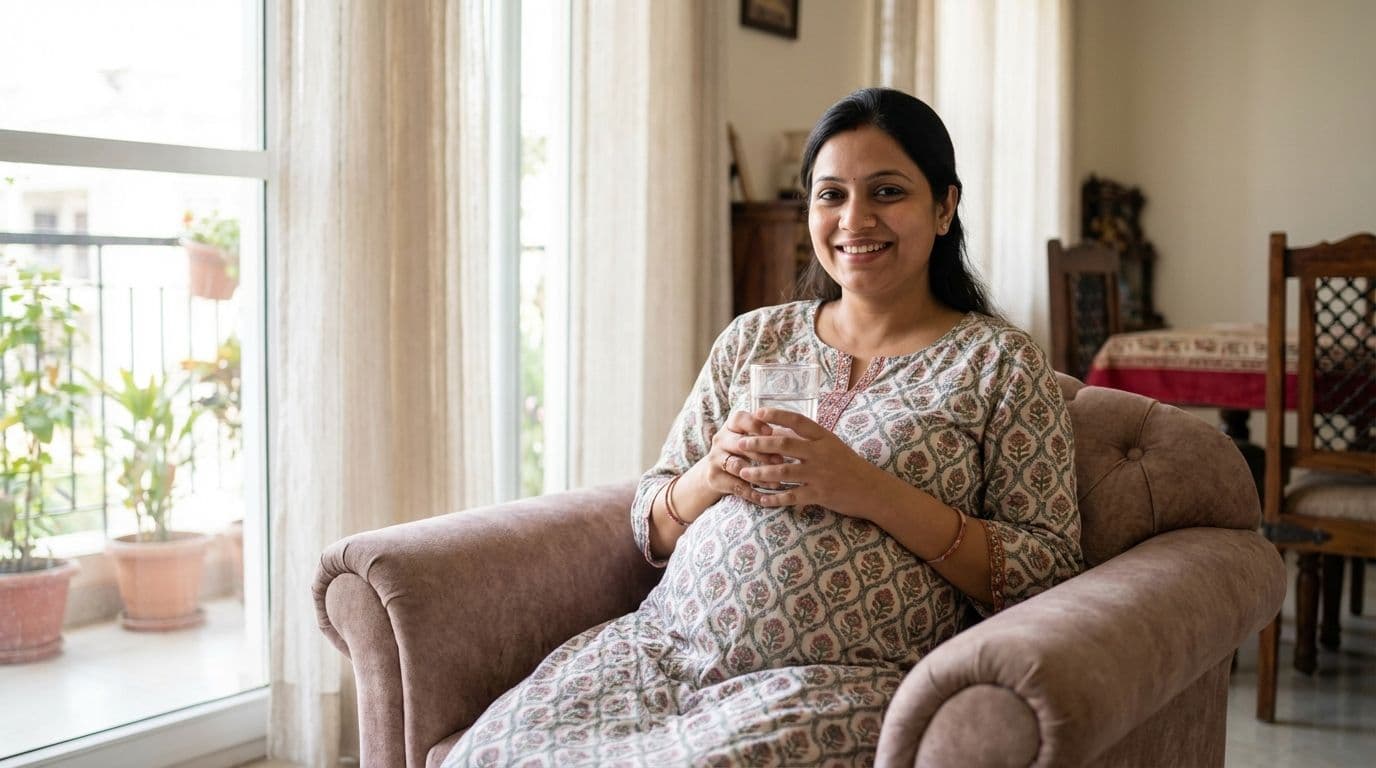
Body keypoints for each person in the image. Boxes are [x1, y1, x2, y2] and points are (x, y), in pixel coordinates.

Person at [444, 87, 1083, 768]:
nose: (854, 219)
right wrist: (707, 476)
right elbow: (650, 524)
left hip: (829, 685)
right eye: (830, 195)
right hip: (661, 654)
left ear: (944, 205)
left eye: (887, 192)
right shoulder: (755, 338)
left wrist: (865, 488)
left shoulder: (997, 362)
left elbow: (1046, 568)